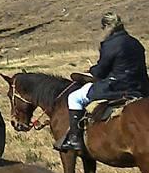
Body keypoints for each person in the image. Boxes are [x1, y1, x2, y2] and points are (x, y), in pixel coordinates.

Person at [58, 12, 148, 151]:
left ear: (106, 26)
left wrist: (90, 71)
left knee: (74, 97)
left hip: (117, 87)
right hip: (141, 87)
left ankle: (75, 139)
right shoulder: (136, 42)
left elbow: (100, 72)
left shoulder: (110, 44)